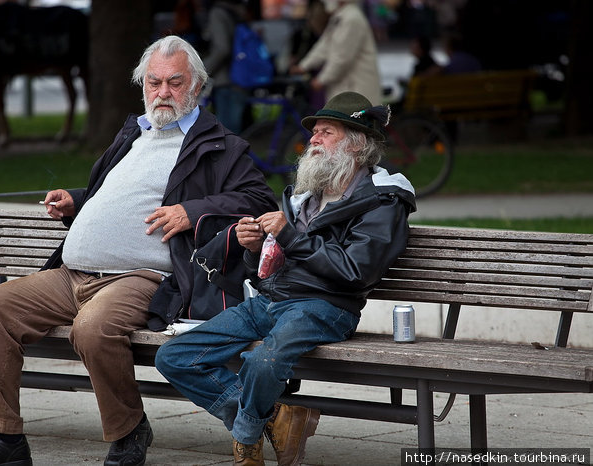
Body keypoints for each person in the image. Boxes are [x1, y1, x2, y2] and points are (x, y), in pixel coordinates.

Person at [0, 35, 278, 466]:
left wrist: (194, 211)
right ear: (142, 85)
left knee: (93, 329)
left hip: (142, 276)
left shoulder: (221, 146)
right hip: (72, 273)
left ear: (196, 87)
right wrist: (76, 202)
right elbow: (114, 195)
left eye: (175, 82)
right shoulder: (133, 134)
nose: (163, 93)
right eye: (153, 82)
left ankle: (128, 431)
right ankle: (2, 438)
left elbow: (260, 201)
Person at [155, 91, 416, 465]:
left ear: (356, 145)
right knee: (175, 357)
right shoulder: (305, 196)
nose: (313, 139)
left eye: (326, 132)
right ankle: (276, 419)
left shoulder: (382, 201)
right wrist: (252, 247)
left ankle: (246, 442)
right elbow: (269, 266)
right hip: (270, 301)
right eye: (315, 132)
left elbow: (356, 271)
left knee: (262, 363)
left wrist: (291, 237)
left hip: (325, 307)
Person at [290, 0, 382, 106]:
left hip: (355, 86)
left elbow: (342, 58)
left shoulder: (351, 19)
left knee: (353, 118)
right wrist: (303, 66)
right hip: (345, 86)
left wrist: (321, 80)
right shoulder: (339, 17)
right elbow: (324, 46)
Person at [201, 0, 250, 134]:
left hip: (226, 80)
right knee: (233, 134)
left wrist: (201, 71)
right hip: (241, 78)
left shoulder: (217, 13)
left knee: (226, 137)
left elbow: (222, 49)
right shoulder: (238, 12)